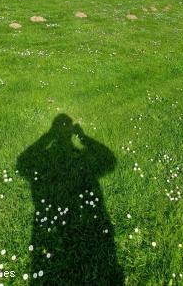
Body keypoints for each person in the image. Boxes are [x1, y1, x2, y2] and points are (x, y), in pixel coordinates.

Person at [17, 114, 123, 285]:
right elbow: (108, 159)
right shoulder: (82, 159)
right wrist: (83, 137)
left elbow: (23, 162)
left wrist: (50, 135)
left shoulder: (49, 158)